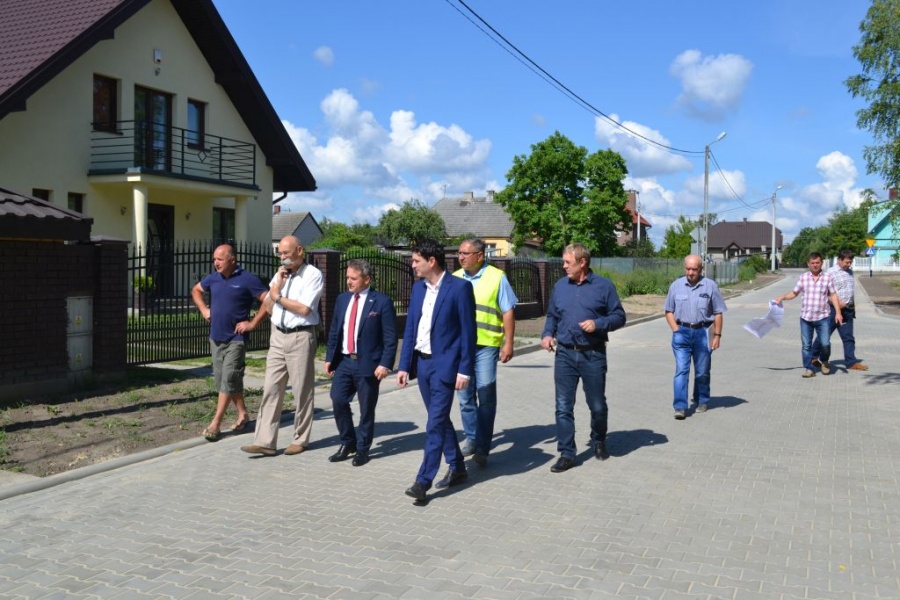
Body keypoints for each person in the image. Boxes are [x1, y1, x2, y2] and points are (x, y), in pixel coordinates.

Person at [397, 239, 476, 503]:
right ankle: (458, 466)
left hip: (445, 366)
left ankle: (423, 481)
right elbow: (411, 328)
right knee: (439, 419)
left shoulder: (459, 288)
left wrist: (464, 370)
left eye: (416, 260)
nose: (413, 265)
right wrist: (404, 365)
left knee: (434, 424)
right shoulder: (418, 289)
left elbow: (468, 333)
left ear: (432, 261)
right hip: (423, 364)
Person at [540, 243, 626, 473]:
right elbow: (552, 315)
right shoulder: (560, 286)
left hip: (593, 354)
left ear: (583, 262)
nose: (564, 266)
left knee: (597, 405)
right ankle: (566, 453)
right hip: (565, 354)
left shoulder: (603, 286)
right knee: (563, 406)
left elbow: (619, 316)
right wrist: (547, 334)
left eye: (568, 262)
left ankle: (598, 440)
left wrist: (598, 324)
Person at [241, 236, 324, 456]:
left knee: (301, 390)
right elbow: (268, 305)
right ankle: (265, 441)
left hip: (300, 336)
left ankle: (300, 439)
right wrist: (277, 285)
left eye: (286, 253)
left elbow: (304, 309)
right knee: (271, 388)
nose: (282, 257)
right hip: (278, 335)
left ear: (300, 250)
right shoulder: (281, 275)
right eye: (280, 253)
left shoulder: (313, 275)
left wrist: (278, 297)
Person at [324, 259, 398, 467]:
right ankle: (348, 442)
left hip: (369, 364)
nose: (349, 282)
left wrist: (385, 364)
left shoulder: (381, 302)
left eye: (353, 278)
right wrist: (329, 358)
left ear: (367, 279)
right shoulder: (342, 299)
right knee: (338, 399)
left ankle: (363, 449)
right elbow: (335, 330)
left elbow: (390, 337)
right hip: (344, 361)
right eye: (347, 277)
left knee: (366, 409)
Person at [191, 244, 268, 441]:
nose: (215, 263)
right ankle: (243, 414)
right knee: (224, 381)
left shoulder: (247, 279)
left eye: (220, 259)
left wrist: (252, 323)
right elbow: (196, 290)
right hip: (216, 338)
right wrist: (204, 310)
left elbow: (268, 300)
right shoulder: (213, 278)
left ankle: (215, 423)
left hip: (236, 339)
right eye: (214, 259)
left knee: (228, 378)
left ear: (232, 260)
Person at [452, 238, 518, 466]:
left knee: (486, 395)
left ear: (480, 256)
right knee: (464, 396)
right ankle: (472, 438)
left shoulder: (497, 277)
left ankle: (482, 447)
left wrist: (508, 343)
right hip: (461, 347)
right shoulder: (455, 278)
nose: (460, 257)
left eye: (465, 253)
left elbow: (508, 311)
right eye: (459, 253)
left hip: (486, 345)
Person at [663, 254, 727, 420]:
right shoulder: (676, 286)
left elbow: (718, 312)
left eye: (694, 269)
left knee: (702, 371)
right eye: (688, 269)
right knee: (681, 370)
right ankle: (680, 406)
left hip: (703, 333)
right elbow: (668, 311)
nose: (690, 272)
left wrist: (717, 335)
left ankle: (702, 399)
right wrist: (676, 329)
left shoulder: (710, 286)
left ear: (701, 269)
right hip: (682, 333)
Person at [774, 252, 843, 378]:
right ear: (808, 264)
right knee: (806, 345)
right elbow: (794, 293)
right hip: (806, 318)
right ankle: (809, 369)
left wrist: (838, 313)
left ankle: (824, 361)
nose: (815, 265)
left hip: (823, 317)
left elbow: (833, 295)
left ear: (821, 263)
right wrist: (782, 297)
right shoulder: (803, 277)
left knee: (825, 343)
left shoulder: (827, 277)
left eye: (817, 262)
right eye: (812, 263)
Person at [811, 249, 868, 371]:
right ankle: (813, 357)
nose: (849, 264)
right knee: (824, 336)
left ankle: (851, 362)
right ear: (839, 260)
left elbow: (849, 291)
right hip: (831, 311)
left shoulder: (850, 272)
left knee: (848, 338)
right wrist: (835, 302)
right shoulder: (829, 273)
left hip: (847, 311)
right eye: (847, 262)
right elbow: (823, 293)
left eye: (850, 262)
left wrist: (852, 304)